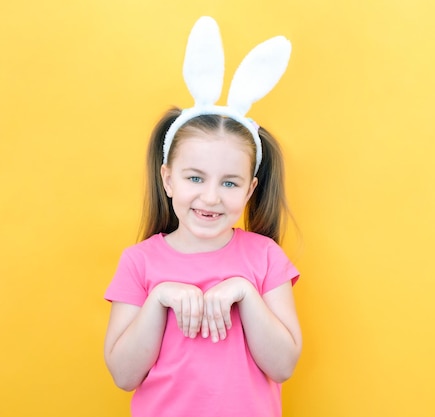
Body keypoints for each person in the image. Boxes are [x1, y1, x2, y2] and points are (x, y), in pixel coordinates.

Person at [103, 16, 301, 417]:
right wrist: (159, 299)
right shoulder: (138, 262)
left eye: (230, 184)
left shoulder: (264, 258)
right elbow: (124, 375)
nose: (211, 197)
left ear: (249, 190)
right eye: (195, 177)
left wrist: (245, 291)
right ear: (168, 178)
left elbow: (283, 366)